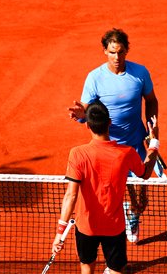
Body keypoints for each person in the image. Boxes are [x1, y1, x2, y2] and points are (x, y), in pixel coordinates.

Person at [52, 101, 159, 274]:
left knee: (87, 267)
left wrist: (59, 231)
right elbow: (145, 173)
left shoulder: (77, 154)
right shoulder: (125, 153)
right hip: (114, 227)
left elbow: (70, 195)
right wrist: (154, 144)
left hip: (86, 227)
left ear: (88, 125)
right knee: (118, 272)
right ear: (109, 123)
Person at [67, 28, 159, 246]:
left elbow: (151, 100)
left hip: (136, 144)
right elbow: (90, 112)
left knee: (141, 199)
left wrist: (153, 128)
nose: (116, 58)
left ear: (127, 50)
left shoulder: (140, 73)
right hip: (110, 150)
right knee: (111, 198)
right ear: (104, 52)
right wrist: (82, 116)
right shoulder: (95, 78)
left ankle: (133, 213)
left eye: (120, 52)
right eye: (112, 52)